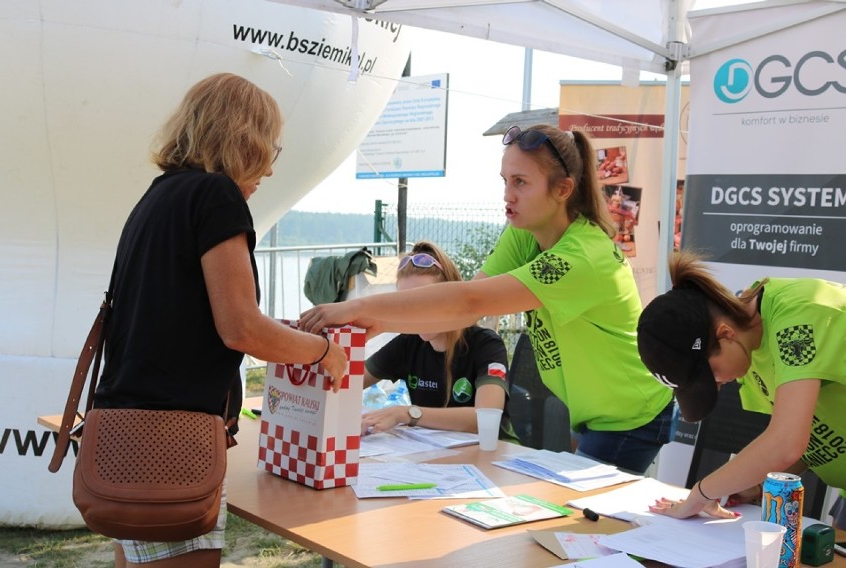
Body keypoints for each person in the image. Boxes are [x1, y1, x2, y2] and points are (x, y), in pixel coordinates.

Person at [301, 124, 675, 474]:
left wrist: (362, 309)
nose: (507, 195)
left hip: (629, 413)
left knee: (586, 528)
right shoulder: (527, 232)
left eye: (521, 182)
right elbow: (457, 311)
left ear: (562, 190)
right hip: (592, 410)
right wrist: (383, 322)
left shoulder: (582, 257)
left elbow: (469, 302)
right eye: (505, 180)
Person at [93, 73, 347, 568]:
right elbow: (242, 330)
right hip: (173, 442)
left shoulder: (159, 195)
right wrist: (322, 350)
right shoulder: (216, 196)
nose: (270, 170)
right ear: (243, 140)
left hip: (128, 428)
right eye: (271, 149)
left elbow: (186, 313)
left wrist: (266, 326)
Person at [637, 251, 845, 522]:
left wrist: (702, 494)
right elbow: (814, 438)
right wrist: (754, 485)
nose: (719, 385)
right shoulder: (751, 344)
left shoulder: (797, 319)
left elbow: (787, 443)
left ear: (726, 334)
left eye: (711, 374)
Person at [362, 241, 516, 440]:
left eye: (425, 301)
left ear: (450, 297)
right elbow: (346, 382)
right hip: (434, 456)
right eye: (405, 304)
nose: (415, 313)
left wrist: (406, 413)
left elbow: (484, 418)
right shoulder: (408, 343)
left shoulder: (486, 345)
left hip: (493, 456)